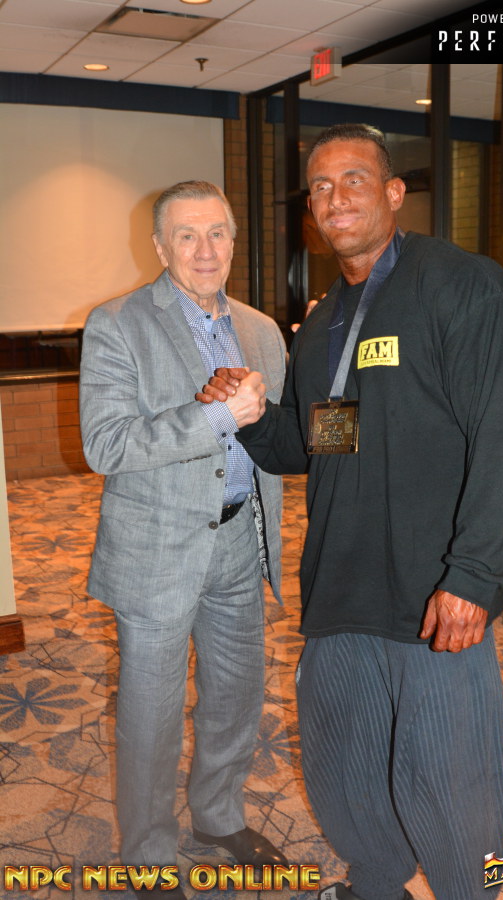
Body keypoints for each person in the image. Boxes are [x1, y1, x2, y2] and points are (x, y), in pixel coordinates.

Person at [198, 125, 503, 900]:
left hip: (433, 588)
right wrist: (250, 413)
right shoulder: (327, 321)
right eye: (320, 186)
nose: (335, 197)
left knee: (451, 776)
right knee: (343, 761)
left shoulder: (462, 285)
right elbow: (322, 441)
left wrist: (476, 574)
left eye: (354, 179)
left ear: (393, 193)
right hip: (342, 583)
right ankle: (378, 880)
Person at [79, 180, 288, 895]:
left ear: (234, 241)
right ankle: (147, 848)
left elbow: (287, 431)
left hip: (240, 544)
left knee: (236, 696)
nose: (205, 249)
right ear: (160, 247)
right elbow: (106, 444)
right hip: (157, 551)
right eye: (187, 235)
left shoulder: (262, 330)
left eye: (217, 233)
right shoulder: (117, 323)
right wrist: (218, 417)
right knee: (152, 714)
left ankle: (218, 815)